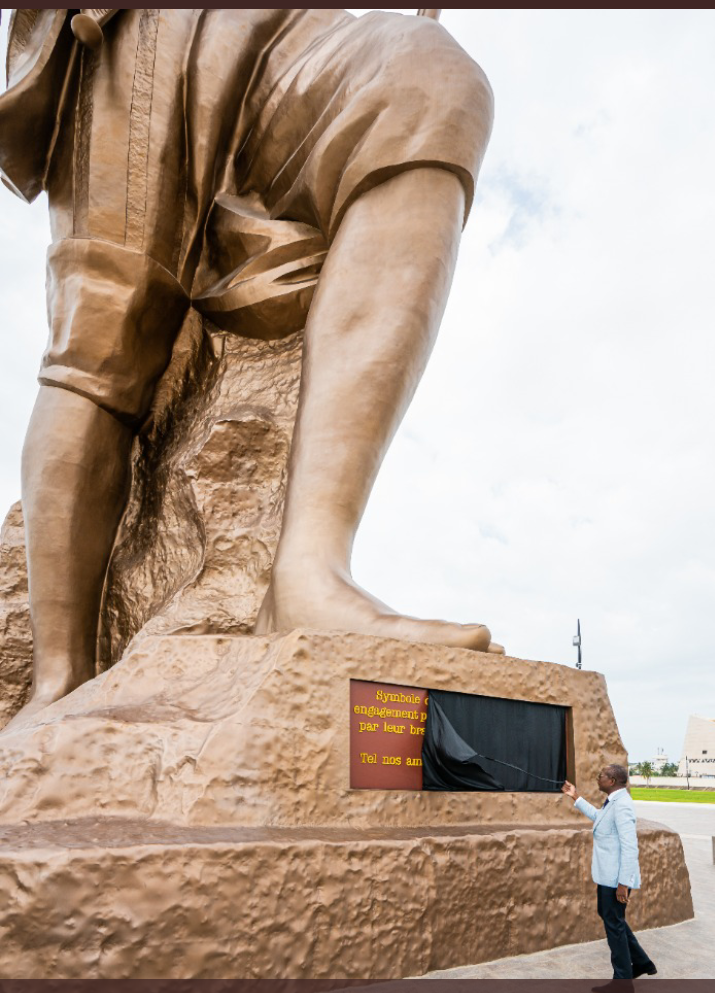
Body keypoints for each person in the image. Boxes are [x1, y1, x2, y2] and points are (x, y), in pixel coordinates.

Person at [0, 9, 504, 733]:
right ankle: (58, 680)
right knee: (107, 325)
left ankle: (307, 577)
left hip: (293, 27)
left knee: (428, 80)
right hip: (143, 28)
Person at [562, 766, 658, 990]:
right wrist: (575, 796)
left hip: (616, 879)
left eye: (601, 776)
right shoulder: (614, 801)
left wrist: (623, 883)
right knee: (612, 919)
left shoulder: (622, 805)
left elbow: (630, 846)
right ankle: (642, 962)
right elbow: (599, 818)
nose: (598, 778)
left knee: (614, 924)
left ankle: (622, 982)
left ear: (612, 780)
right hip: (609, 877)